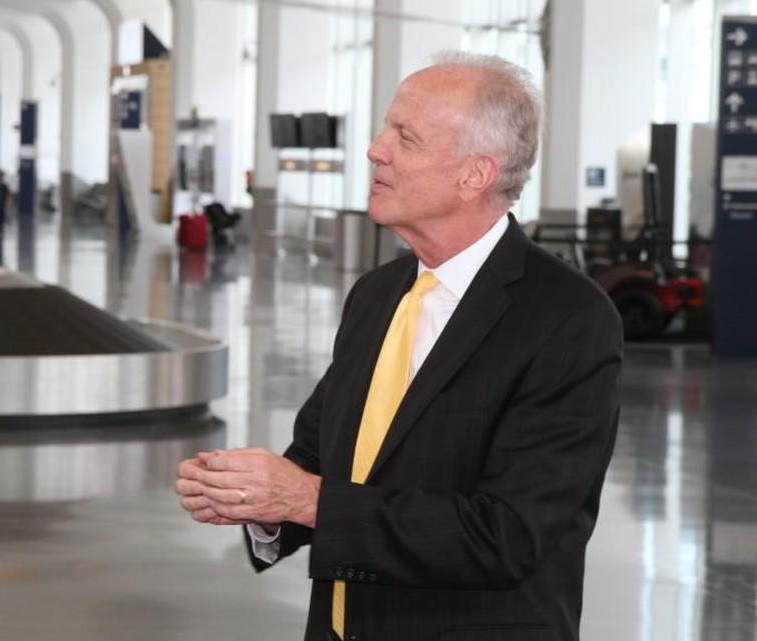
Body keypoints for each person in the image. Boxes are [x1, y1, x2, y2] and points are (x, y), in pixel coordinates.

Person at [176, 52, 623, 641]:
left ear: (475, 175)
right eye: (386, 129)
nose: (375, 150)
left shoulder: (567, 318)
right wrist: (257, 502)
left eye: (404, 137)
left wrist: (307, 500)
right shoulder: (377, 294)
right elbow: (319, 458)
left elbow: (509, 535)